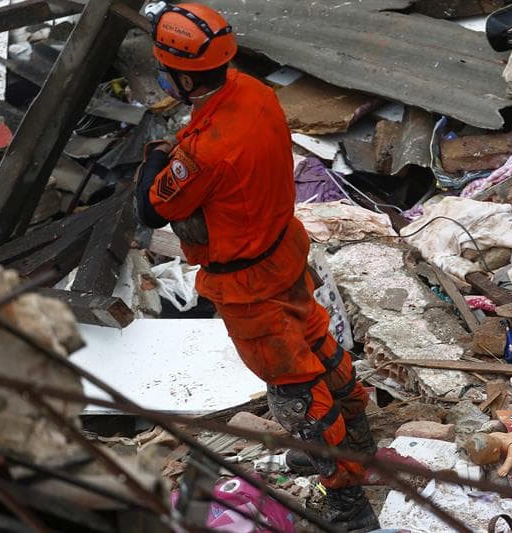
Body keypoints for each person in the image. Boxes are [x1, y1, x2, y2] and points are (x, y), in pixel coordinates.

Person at [133, 3, 379, 531]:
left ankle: (348, 502)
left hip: (246, 282)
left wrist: (156, 160)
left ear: (180, 74)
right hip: (283, 249)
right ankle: (358, 435)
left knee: (295, 394)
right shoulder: (254, 93)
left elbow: (152, 207)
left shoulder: (203, 153)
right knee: (317, 342)